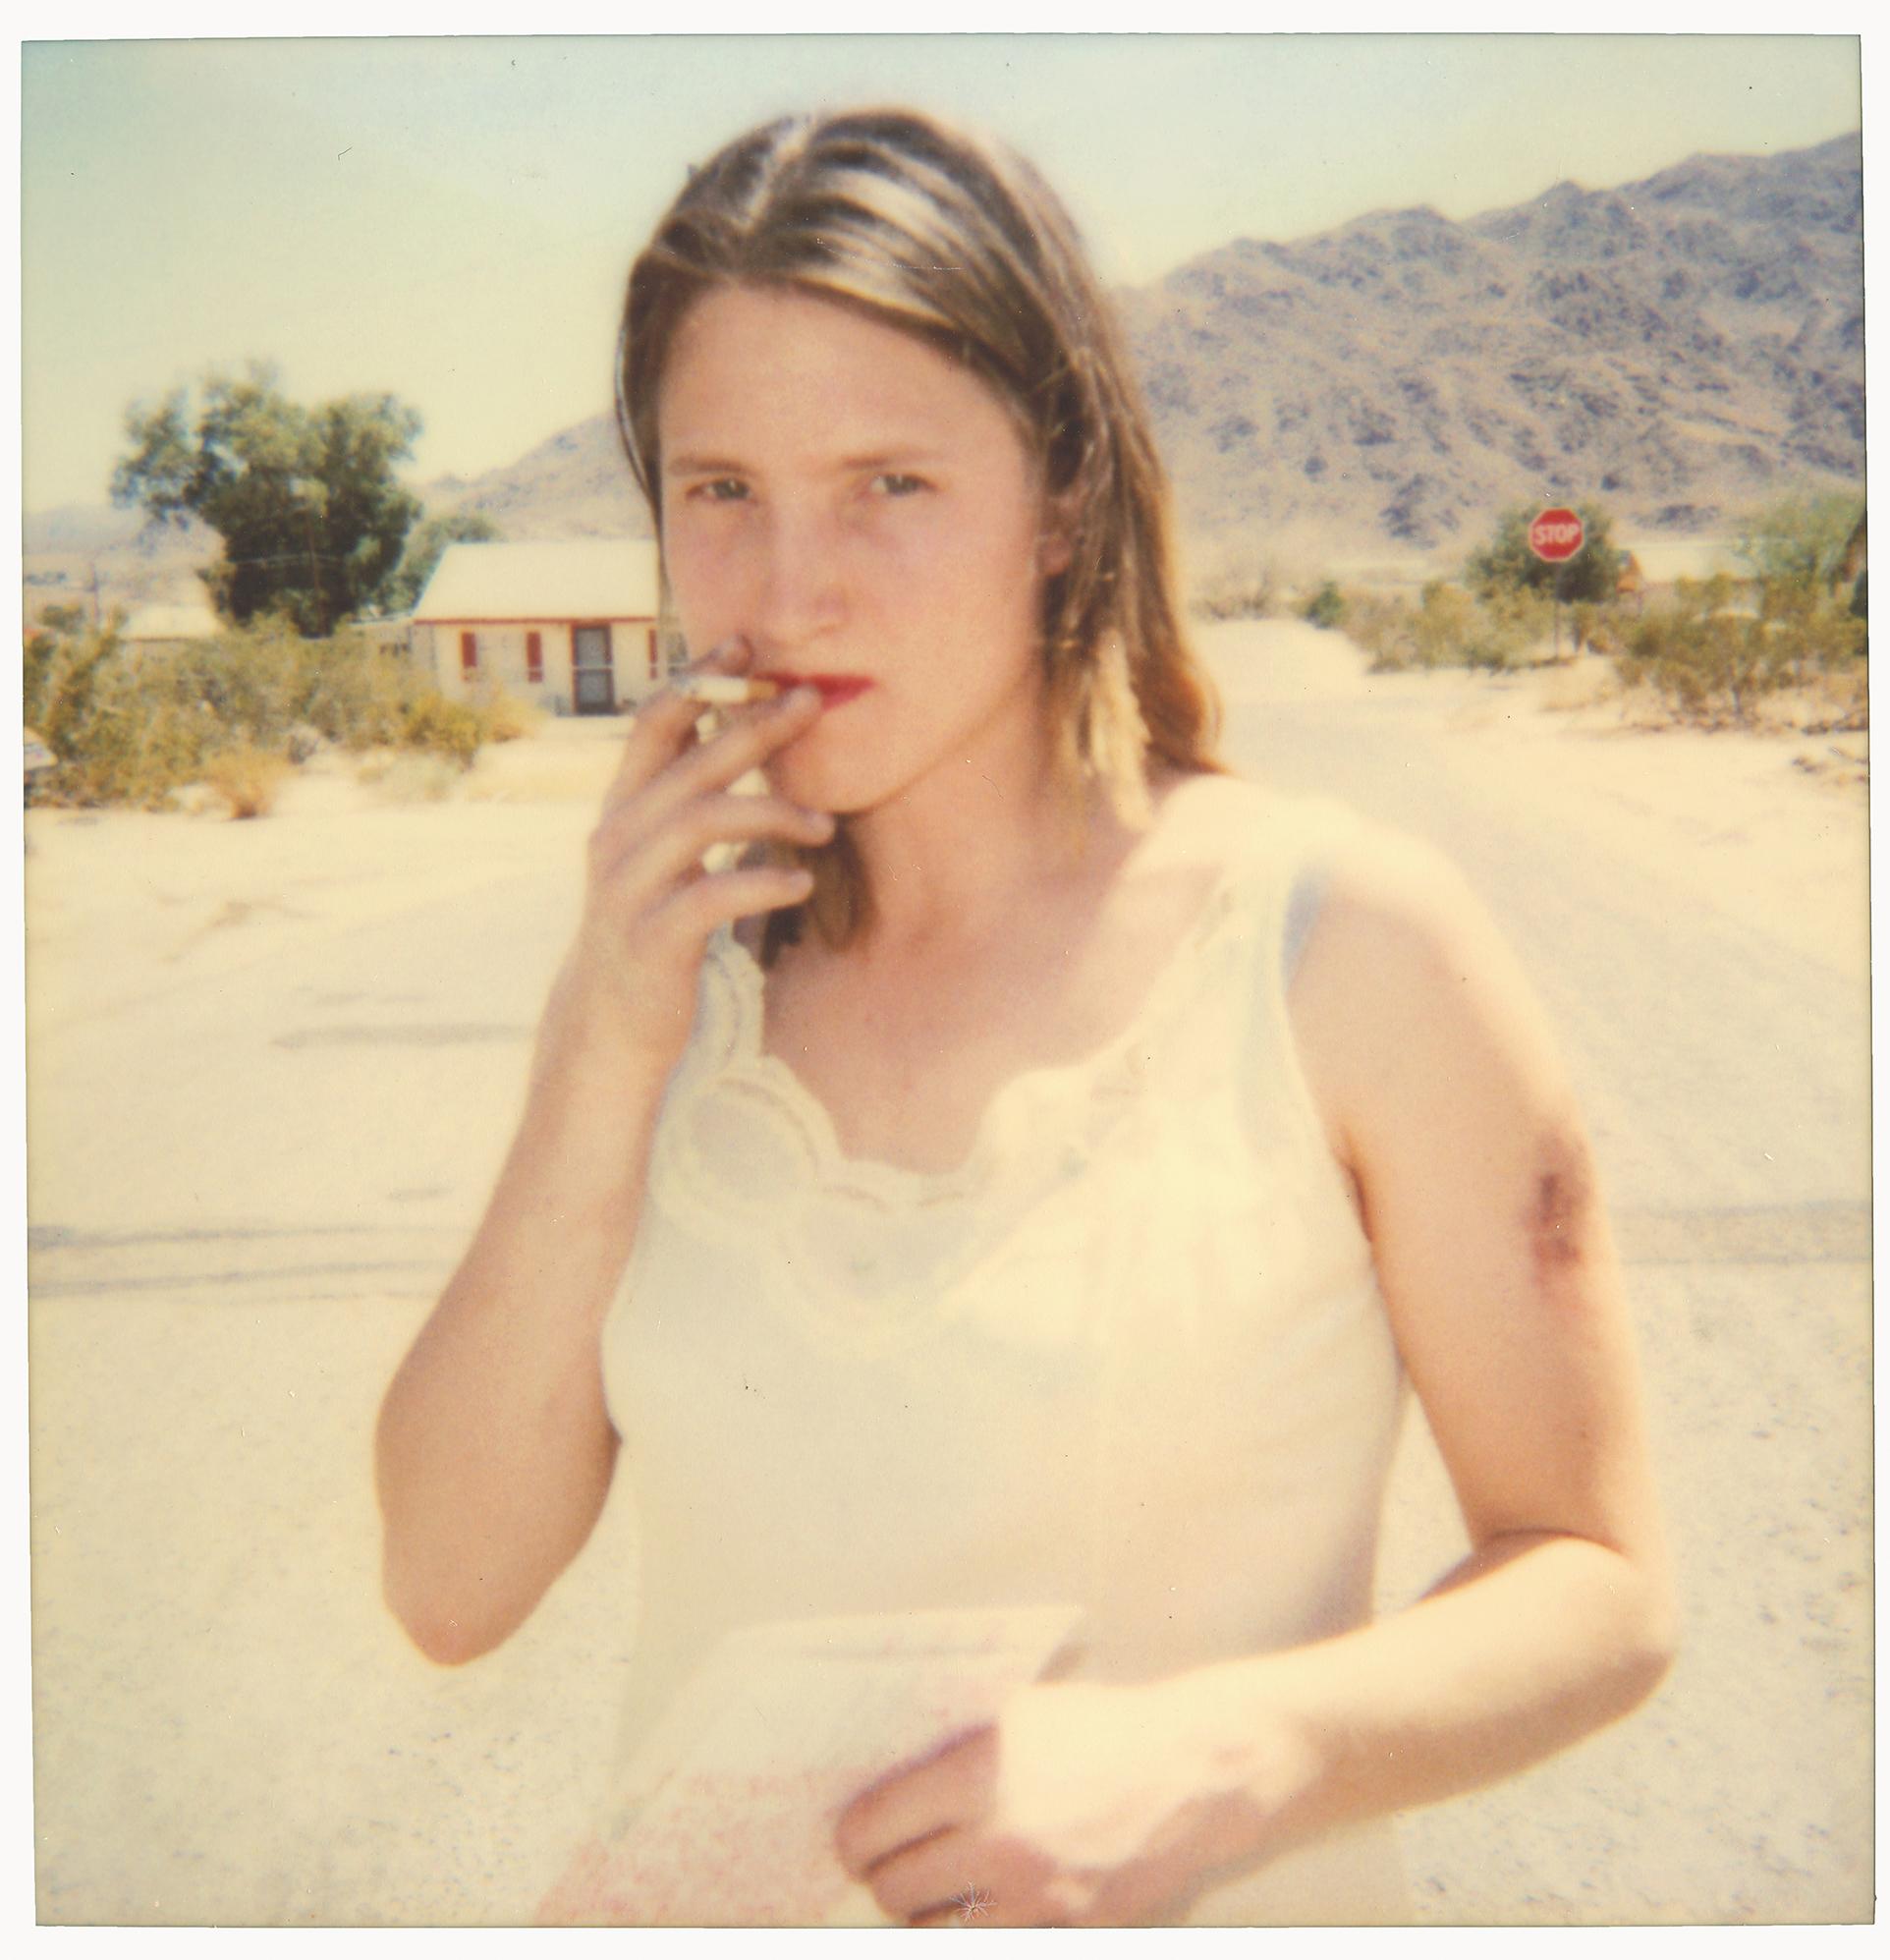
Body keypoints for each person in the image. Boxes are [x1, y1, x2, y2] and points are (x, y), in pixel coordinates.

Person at [373, 106, 1676, 1929]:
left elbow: (1602, 1579)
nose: (786, 584)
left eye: (889, 485)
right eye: (719, 489)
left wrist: (1235, 1755)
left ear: (1063, 497)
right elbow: (447, 1582)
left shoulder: (1344, 943)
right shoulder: (673, 980)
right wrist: (606, 1034)